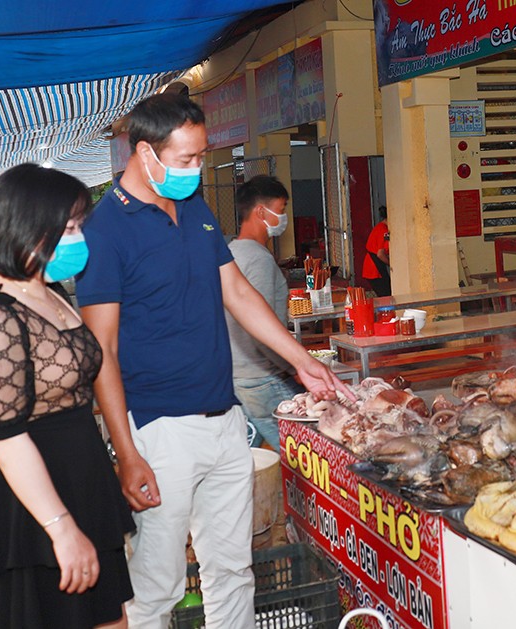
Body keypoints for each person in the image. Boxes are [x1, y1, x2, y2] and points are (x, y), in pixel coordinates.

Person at [75, 93, 354, 627]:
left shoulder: (194, 209)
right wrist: (127, 452)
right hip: (159, 429)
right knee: (157, 587)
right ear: (145, 153)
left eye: (201, 156)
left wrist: (301, 359)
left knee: (233, 571)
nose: (197, 169)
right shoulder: (104, 232)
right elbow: (101, 350)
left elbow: (238, 293)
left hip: (224, 419)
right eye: (186, 158)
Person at [0, 164, 134, 627]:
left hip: (85, 483)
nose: (79, 238)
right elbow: (5, 438)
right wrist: (60, 528)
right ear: (26, 226)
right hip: (38, 505)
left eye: (79, 226)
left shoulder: (51, 291)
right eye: (68, 228)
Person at [226, 175, 304, 450]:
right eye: (281, 210)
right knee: (304, 454)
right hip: (263, 377)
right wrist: (296, 367)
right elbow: (261, 330)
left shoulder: (230, 253)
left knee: (245, 455)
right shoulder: (259, 259)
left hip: (239, 375)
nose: (283, 218)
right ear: (261, 212)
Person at [362, 205, 391, 297]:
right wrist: (391, 264)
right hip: (374, 269)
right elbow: (380, 254)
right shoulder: (384, 231)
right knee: (386, 296)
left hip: (371, 267)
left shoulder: (379, 227)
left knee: (385, 295)